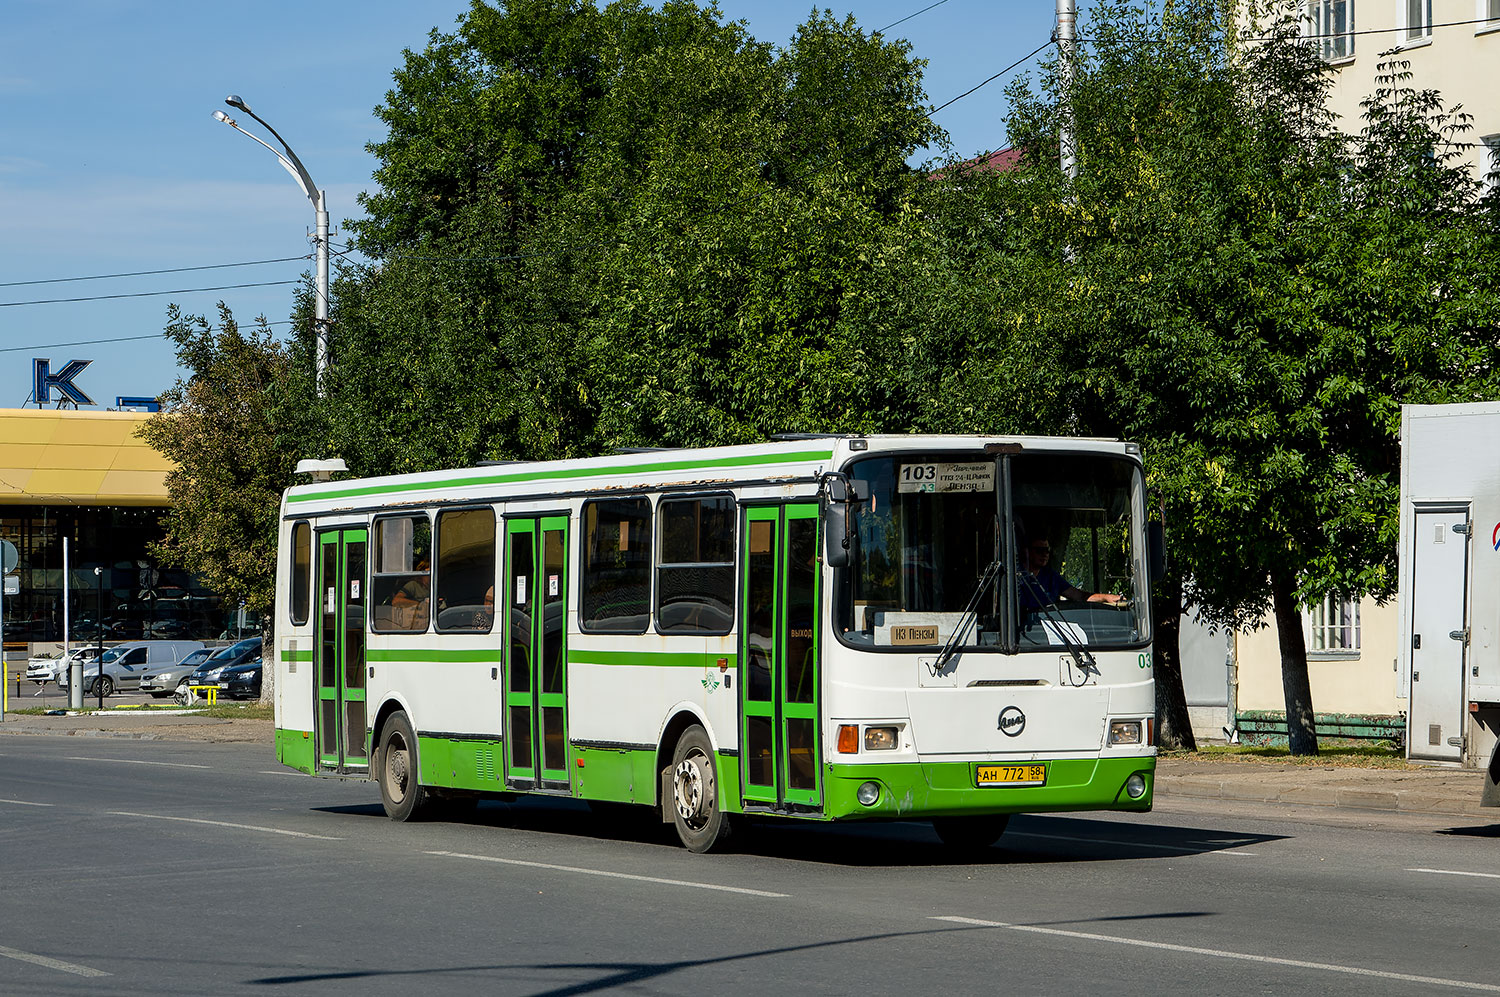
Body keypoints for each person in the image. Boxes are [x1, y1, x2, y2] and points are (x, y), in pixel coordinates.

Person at [1019, 539, 1125, 610]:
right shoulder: (1014, 576)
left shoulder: (1051, 577)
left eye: (1047, 550)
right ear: (1026, 551)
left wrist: (1106, 597)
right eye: (1039, 550)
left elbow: (1079, 596)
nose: (1045, 554)